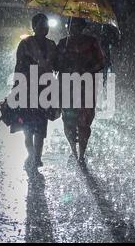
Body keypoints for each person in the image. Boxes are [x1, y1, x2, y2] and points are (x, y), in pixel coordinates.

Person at [55, 17, 105, 165]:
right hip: (67, 87)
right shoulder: (63, 43)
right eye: (71, 26)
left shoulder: (91, 42)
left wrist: (86, 70)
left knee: (84, 122)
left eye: (76, 26)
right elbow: (56, 64)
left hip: (85, 87)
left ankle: (81, 154)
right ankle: (74, 150)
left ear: (82, 27)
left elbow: (101, 62)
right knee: (69, 121)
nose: (73, 29)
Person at [11, 13, 58, 169]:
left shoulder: (52, 45)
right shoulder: (25, 44)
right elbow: (19, 67)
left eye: (46, 26)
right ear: (34, 27)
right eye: (40, 25)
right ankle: (31, 154)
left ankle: (37, 156)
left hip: (45, 89)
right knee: (28, 127)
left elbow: (57, 65)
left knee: (41, 125)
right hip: (27, 89)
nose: (44, 28)